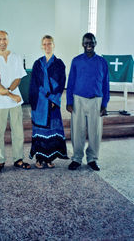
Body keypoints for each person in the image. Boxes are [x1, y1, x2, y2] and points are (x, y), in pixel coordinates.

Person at [0, 30, 31, 173]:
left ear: (8, 40)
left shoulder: (15, 57)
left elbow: (18, 78)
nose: (2, 42)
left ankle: (18, 159)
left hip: (14, 103)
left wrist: (9, 91)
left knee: (18, 132)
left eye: (4, 39)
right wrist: (12, 95)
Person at [66, 32, 109, 171]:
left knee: (95, 132)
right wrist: (69, 101)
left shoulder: (102, 62)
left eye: (91, 42)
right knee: (77, 131)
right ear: (82, 44)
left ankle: (92, 159)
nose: (88, 45)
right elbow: (71, 81)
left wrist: (104, 104)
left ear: (95, 43)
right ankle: (77, 158)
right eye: (86, 42)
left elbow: (105, 84)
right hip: (78, 100)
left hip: (96, 101)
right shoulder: (76, 60)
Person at [29, 35, 68, 168]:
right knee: (40, 130)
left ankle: (50, 158)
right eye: (44, 44)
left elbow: (61, 82)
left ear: (53, 45)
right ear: (41, 46)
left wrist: (53, 99)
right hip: (40, 103)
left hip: (53, 103)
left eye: (49, 43)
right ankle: (39, 159)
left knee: (52, 130)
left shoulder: (59, 63)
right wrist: (45, 96)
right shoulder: (37, 64)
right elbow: (34, 83)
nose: (47, 46)